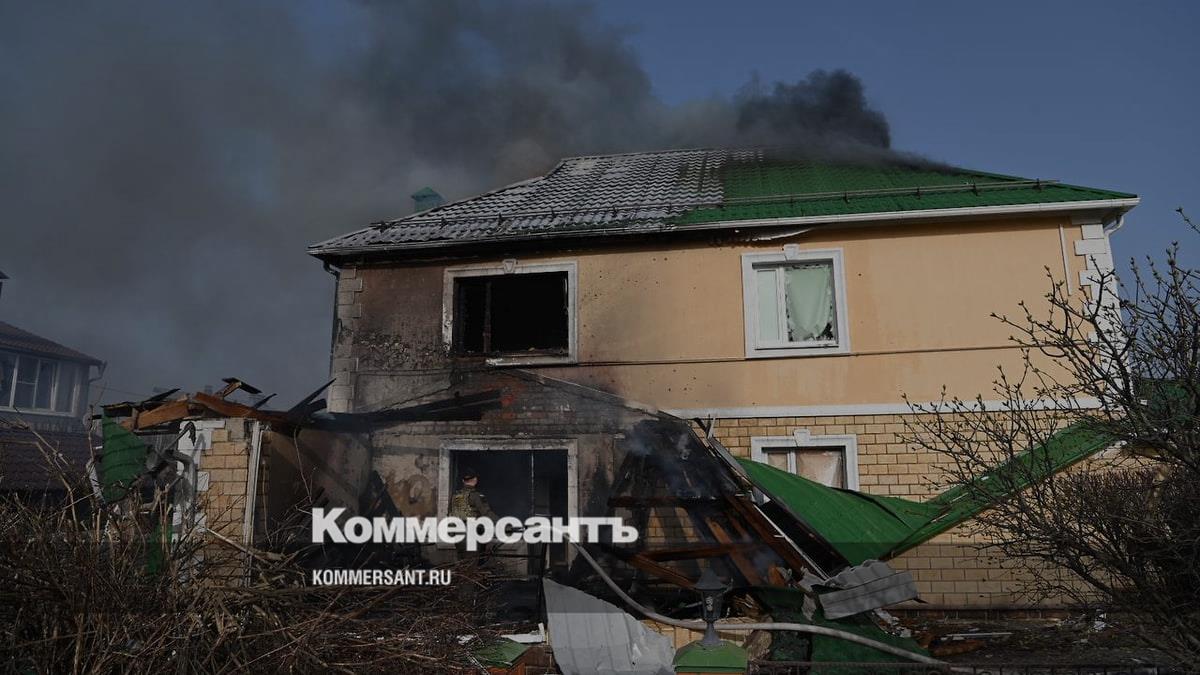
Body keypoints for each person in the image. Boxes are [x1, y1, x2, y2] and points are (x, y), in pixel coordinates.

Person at [450, 467, 497, 564]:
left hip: (457, 534)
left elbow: (450, 515)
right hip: (471, 533)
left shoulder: (455, 496)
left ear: (463, 481)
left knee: (463, 564)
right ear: (475, 480)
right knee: (472, 565)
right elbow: (487, 513)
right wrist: (505, 524)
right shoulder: (476, 496)